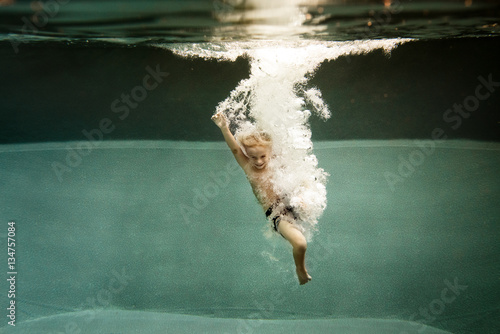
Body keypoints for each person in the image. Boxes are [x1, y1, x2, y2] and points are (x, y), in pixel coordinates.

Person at [211, 111, 312, 285]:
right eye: (253, 157)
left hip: (290, 201)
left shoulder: (275, 160)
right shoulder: (248, 168)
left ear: (269, 152)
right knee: (301, 244)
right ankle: (300, 270)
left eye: (262, 156)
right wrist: (224, 128)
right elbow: (235, 149)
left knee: (306, 191)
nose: (258, 161)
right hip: (278, 216)